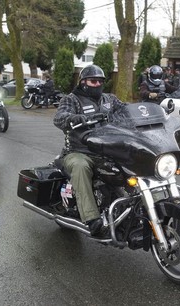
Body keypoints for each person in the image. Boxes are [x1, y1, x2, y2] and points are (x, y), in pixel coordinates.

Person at [53, 64, 126, 236]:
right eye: (93, 81)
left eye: (100, 81)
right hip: (79, 152)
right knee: (80, 166)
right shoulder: (72, 99)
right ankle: (92, 219)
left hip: (107, 150)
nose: (97, 84)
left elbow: (127, 110)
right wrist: (77, 118)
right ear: (83, 82)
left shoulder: (110, 99)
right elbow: (59, 117)